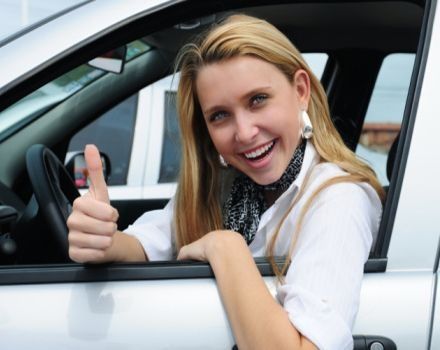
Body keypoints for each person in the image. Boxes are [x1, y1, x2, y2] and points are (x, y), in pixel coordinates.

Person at [67, 14, 384, 350]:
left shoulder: (338, 198)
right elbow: (150, 242)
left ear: (301, 91)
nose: (244, 132)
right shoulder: (225, 187)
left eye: (258, 100)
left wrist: (225, 247)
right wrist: (101, 239)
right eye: (219, 115)